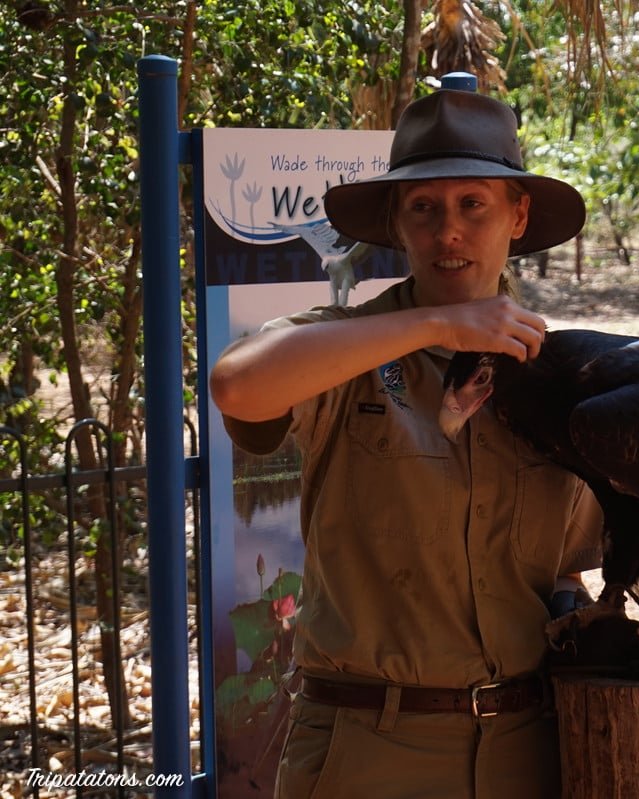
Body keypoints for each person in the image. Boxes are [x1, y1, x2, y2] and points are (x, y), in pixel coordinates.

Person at [209, 85, 603, 799]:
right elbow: (238, 385)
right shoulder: (342, 349)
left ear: (517, 215)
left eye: (473, 204)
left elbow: (567, 571)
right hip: (367, 750)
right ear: (397, 222)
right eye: (423, 207)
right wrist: (437, 326)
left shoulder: (561, 375)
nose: (448, 230)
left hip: (531, 746)